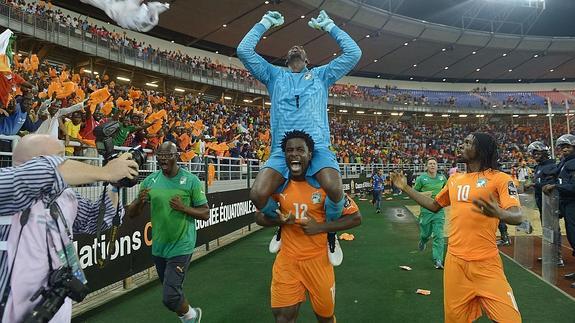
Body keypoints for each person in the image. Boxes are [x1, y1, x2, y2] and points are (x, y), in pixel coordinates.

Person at [237, 9, 362, 261]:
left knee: (334, 188)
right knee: (257, 194)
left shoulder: (321, 75)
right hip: (282, 152)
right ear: (287, 59)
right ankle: (282, 223)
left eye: (300, 49)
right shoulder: (274, 75)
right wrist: (264, 23)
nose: (295, 48)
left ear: (306, 59)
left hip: (317, 148)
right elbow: (244, 50)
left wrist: (330, 26)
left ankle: (329, 234)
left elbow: (354, 53)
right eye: (291, 48)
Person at [391, 133, 523, 323]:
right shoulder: (454, 180)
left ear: (481, 150)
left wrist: (501, 214)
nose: (462, 145)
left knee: (511, 320)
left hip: (487, 264)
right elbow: (434, 205)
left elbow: (517, 216)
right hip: (455, 264)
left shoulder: (501, 179)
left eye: (468, 143)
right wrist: (406, 188)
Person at [1, 134, 124, 322]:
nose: (68, 162)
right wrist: (106, 171)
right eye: (61, 157)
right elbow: (44, 172)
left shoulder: (65, 195)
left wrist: (115, 186)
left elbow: (95, 220)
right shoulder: (6, 185)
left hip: (54, 304)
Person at [255, 130, 361, 323]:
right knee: (283, 318)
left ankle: (332, 241)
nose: (294, 154)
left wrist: (320, 227)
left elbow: (356, 218)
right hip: (287, 261)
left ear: (310, 155)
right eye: (289, 150)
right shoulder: (279, 185)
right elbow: (259, 218)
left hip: (318, 262)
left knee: (325, 318)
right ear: (284, 156)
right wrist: (280, 221)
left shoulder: (324, 185)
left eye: (299, 150)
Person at [127, 141, 209, 323]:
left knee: (169, 296)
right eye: (160, 156)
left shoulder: (191, 180)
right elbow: (132, 214)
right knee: (171, 290)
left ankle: (191, 316)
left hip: (181, 245)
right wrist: (139, 202)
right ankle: (190, 316)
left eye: (167, 156)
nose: (163, 160)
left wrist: (183, 208)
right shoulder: (150, 181)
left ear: (176, 156)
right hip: (159, 247)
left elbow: (205, 213)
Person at [543, 134, 575, 286]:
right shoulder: (564, 162)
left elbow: (573, 187)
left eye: (567, 147)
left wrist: (555, 186)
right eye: (562, 147)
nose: (564, 150)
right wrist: (550, 181)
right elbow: (553, 175)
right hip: (565, 204)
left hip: (573, 204)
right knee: (571, 237)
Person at [528, 140, 564, 266]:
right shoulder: (539, 167)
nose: (535, 156)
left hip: (549, 202)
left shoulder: (550, 167)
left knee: (553, 228)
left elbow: (549, 185)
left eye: (537, 154)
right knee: (546, 228)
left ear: (544, 153)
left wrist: (535, 184)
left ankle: (557, 256)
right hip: (541, 202)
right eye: (534, 154)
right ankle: (550, 253)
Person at [412, 157, 447, 269]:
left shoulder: (442, 178)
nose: (432, 165)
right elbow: (414, 192)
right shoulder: (421, 178)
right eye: (430, 164)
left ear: (437, 166)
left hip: (439, 210)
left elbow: (447, 190)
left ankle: (438, 260)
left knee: (439, 236)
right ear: (426, 166)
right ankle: (423, 240)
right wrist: (424, 195)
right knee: (425, 234)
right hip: (426, 211)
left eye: (434, 164)